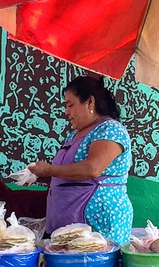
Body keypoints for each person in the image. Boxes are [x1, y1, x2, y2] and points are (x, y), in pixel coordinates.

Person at [28, 75, 133, 245]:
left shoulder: (110, 129)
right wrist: (38, 176)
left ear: (90, 103)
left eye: (70, 105)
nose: (66, 112)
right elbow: (70, 174)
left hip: (98, 223)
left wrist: (49, 170)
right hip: (69, 223)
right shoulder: (74, 135)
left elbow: (92, 169)